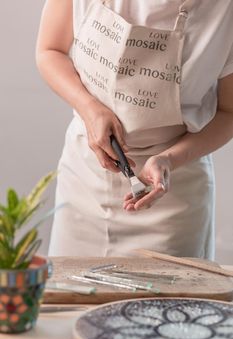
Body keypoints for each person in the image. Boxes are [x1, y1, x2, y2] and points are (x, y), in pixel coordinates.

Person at [36, 0, 233, 259]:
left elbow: (228, 112)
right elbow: (50, 50)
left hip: (173, 195)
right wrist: (90, 109)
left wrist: (169, 159)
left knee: (165, 299)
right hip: (83, 180)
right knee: (73, 294)